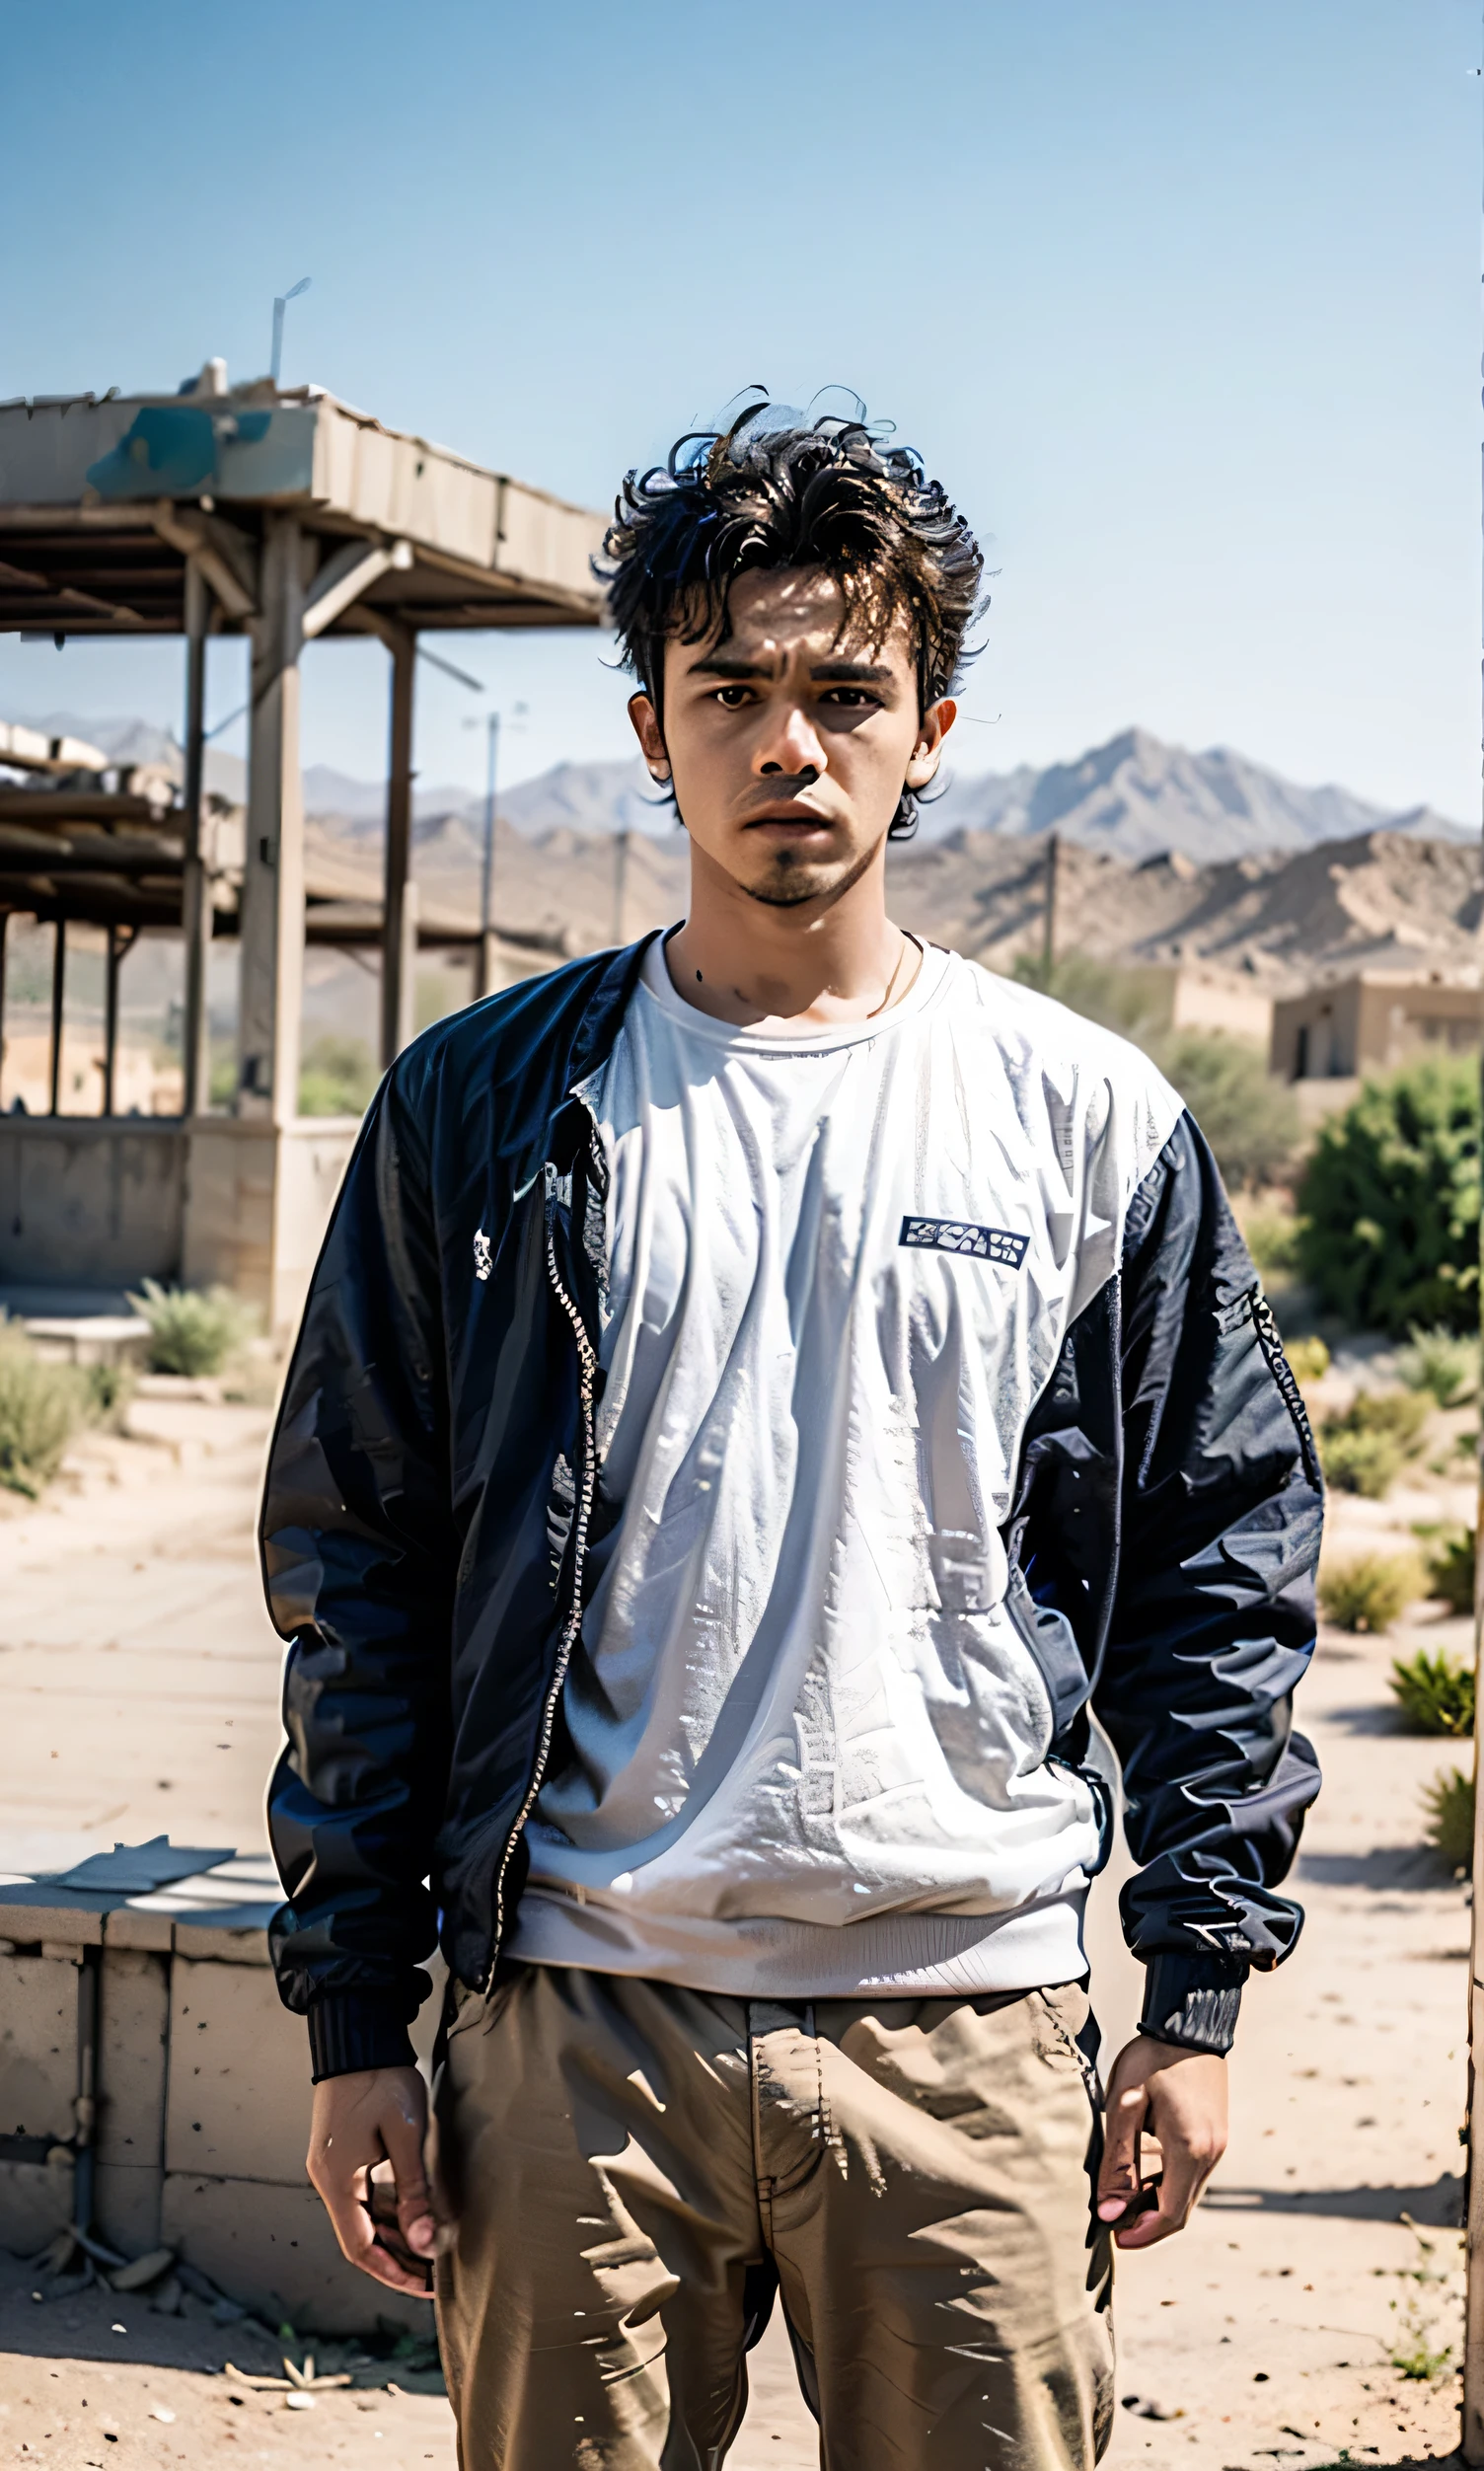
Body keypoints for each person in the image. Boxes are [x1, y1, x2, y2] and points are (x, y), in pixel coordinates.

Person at [260, 403, 1321, 2470]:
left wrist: (1193, 1997)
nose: (785, 745)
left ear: (930, 726)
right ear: (650, 728)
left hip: (972, 2026)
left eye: (844, 693)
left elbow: (1217, 1563)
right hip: (576, 2027)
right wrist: (348, 2023)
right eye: (726, 690)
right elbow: (357, 1567)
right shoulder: (484, 1113)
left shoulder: (1080, 1119)